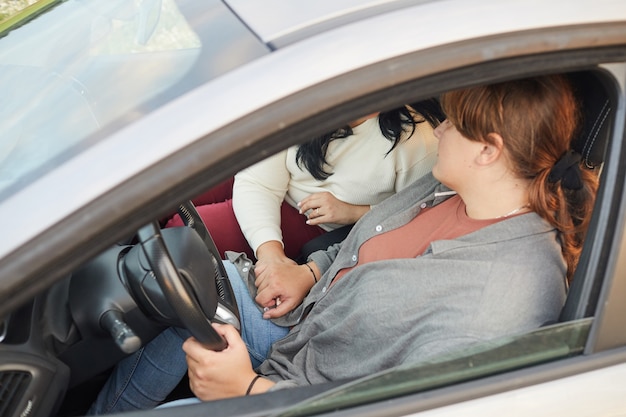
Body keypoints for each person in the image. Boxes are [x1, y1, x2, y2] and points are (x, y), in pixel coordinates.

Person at [88, 74, 597, 414]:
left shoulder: (498, 300)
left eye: (452, 123)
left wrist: (247, 390)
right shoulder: (446, 188)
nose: (440, 129)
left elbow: (390, 405)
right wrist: (309, 272)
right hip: (305, 318)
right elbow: (360, 245)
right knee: (183, 285)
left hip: (306, 386)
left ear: (488, 150)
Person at [165, 102, 443, 264]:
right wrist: (270, 254)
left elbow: (417, 220)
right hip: (266, 179)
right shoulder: (307, 99)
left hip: (312, 222)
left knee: (181, 235)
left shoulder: (417, 142)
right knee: (164, 194)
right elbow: (259, 182)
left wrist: (357, 213)